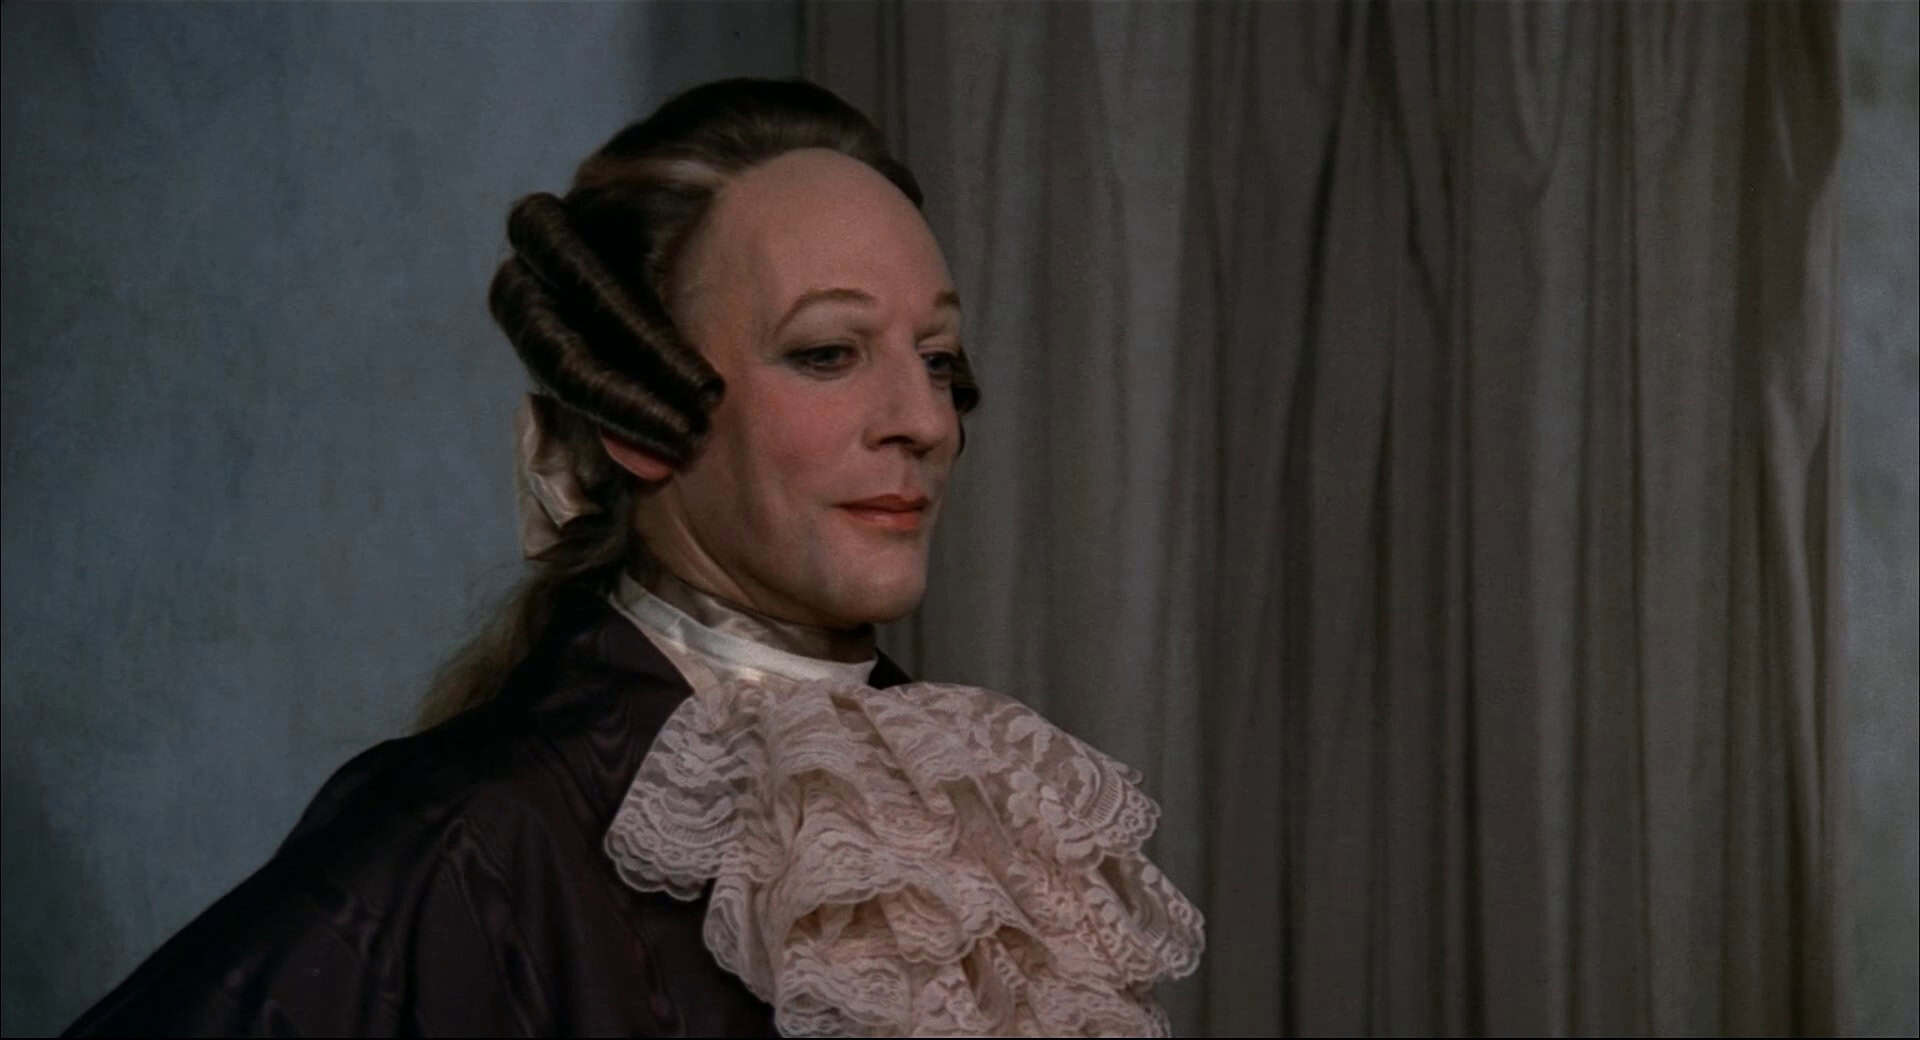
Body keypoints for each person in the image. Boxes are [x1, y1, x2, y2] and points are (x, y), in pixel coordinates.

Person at [66, 78, 1203, 1038]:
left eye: (938, 357)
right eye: (828, 352)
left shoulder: (990, 820)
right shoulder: (478, 839)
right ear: (635, 415)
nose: (922, 419)